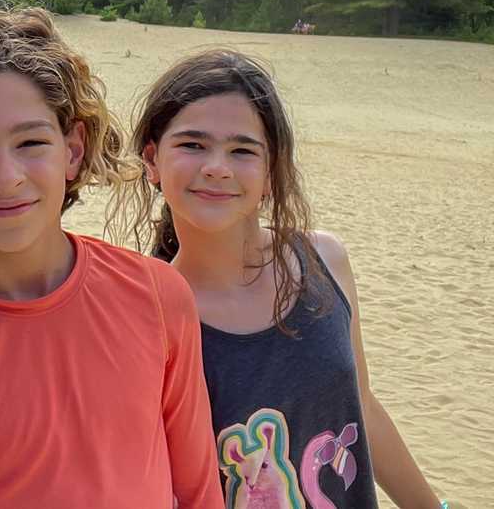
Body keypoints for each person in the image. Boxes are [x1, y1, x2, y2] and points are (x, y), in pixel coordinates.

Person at [0, 3, 224, 508]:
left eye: (31, 142)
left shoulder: (159, 296)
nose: (5, 175)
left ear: (73, 149)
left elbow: (199, 492)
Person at [111, 49, 443, 508]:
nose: (217, 167)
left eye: (242, 150)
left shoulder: (324, 260)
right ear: (152, 160)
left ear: (271, 171)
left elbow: (362, 406)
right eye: (192, 144)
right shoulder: (142, 315)